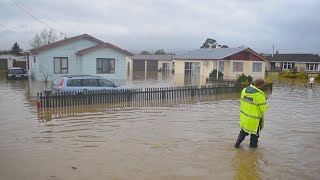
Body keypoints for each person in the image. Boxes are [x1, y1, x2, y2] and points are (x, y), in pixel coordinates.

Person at [234, 79, 268, 148]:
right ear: (261, 85)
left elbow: (242, 101)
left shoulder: (244, 90)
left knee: (242, 133)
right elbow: (263, 109)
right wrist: (265, 100)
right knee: (254, 137)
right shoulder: (260, 96)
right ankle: (252, 154)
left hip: (244, 118)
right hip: (254, 121)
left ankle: (236, 145)